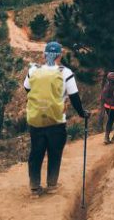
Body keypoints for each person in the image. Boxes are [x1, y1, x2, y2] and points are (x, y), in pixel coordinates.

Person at [24, 41, 89, 196]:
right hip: (56, 121)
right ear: (60, 55)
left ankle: (34, 187)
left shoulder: (33, 70)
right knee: (54, 152)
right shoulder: (65, 72)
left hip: (36, 120)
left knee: (36, 153)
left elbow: (27, 88)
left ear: (44, 55)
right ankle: (52, 185)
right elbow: (74, 97)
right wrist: (82, 113)